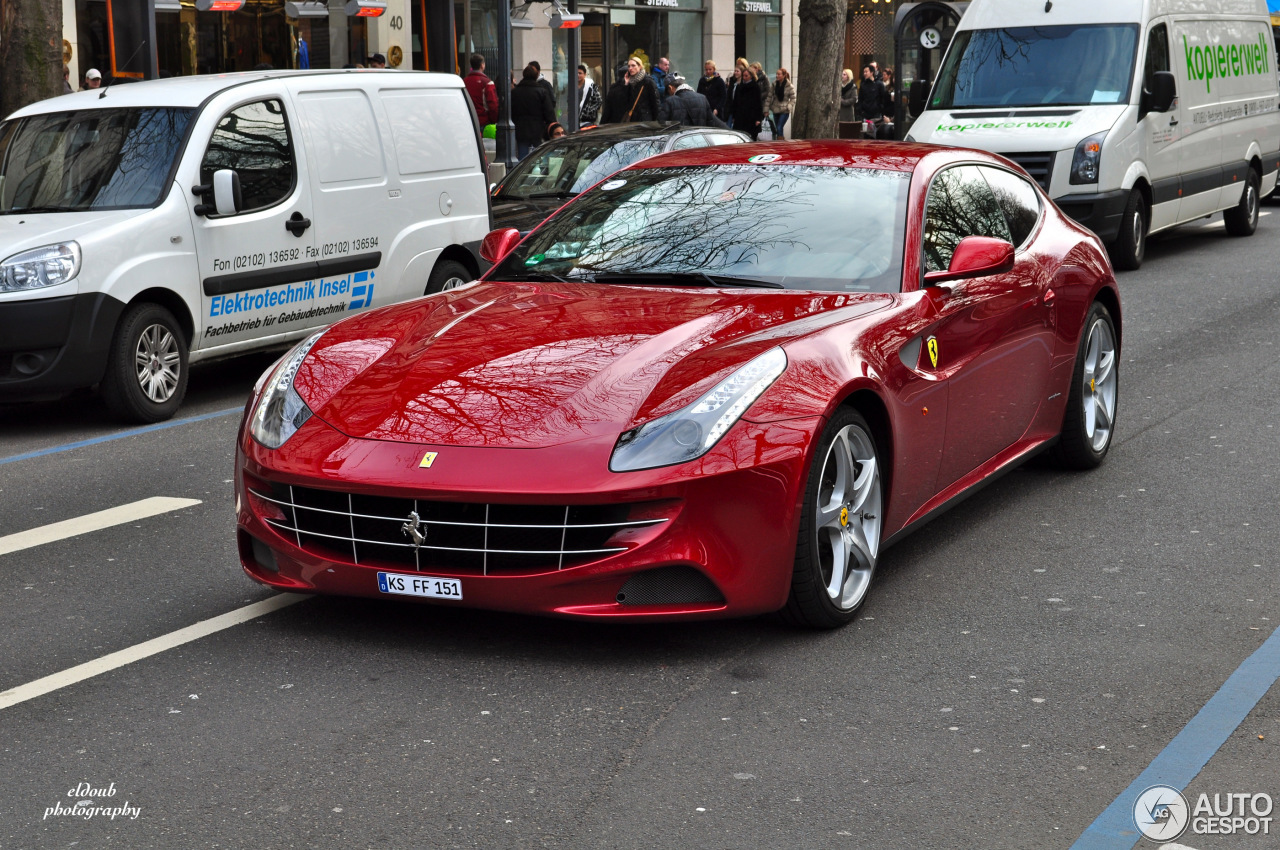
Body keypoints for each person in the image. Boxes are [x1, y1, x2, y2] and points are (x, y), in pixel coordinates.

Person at [511, 64, 555, 158]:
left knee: (522, 157)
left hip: (520, 129)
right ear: (536, 76)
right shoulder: (541, 92)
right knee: (537, 157)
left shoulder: (515, 92)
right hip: (537, 130)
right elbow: (549, 113)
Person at [602, 57, 659, 123]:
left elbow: (656, 103)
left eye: (633, 66)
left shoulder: (647, 81)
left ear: (640, 66)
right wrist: (626, 84)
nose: (630, 68)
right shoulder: (629, 82)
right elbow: (624, 101)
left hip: (645, 120)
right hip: (632, 120)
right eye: (629, 66)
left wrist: (654, 122)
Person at [660, 73, 728, 128]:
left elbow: (661, 125)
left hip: (679, 143)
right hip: (699, 143)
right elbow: (713, 122)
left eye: (668, 91)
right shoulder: (702, 98)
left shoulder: (670, 101)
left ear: (670, 88)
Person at [730, 62, 763, 140]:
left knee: (750, 137)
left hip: (751, 117)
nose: (744, 78)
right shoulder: (739, 86)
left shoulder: (755, 87)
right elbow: (735, 102)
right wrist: (734, 115)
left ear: (751, 76)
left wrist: (758, 118)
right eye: (743, 76)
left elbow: (758, 103)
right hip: (740, 116)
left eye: (746, 76)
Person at [464, 53, 499, 127]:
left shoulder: (464, 82)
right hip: (483, 121)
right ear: (482, 65)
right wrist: (494, 120)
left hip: (468, 121)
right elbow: (493, 105)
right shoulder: (487, 83)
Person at [763, 67, 796, 140]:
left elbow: (793, 99)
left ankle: (780, 143)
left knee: (779, 127)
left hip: (784, 110)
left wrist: (789, 106)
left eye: (779, 74)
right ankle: (781, 142)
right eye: (776, 74)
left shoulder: (789, 86)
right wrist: (766, 110)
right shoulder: (774, 84)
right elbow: (769, 97)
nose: (777, 76)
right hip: (775, 109)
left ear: (784, 75)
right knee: (778, 128)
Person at [856, 64, 885, 134]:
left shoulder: (879, 84)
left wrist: (880, 109)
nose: (865, 74)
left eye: (866, 72)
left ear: (872, 72)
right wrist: (861, 110)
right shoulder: (863, 85)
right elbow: (860, 98)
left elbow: (883, 98)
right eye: (864, 72)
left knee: (876, 133)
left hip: (876, 114)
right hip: (865, 114)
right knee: (866, 133)